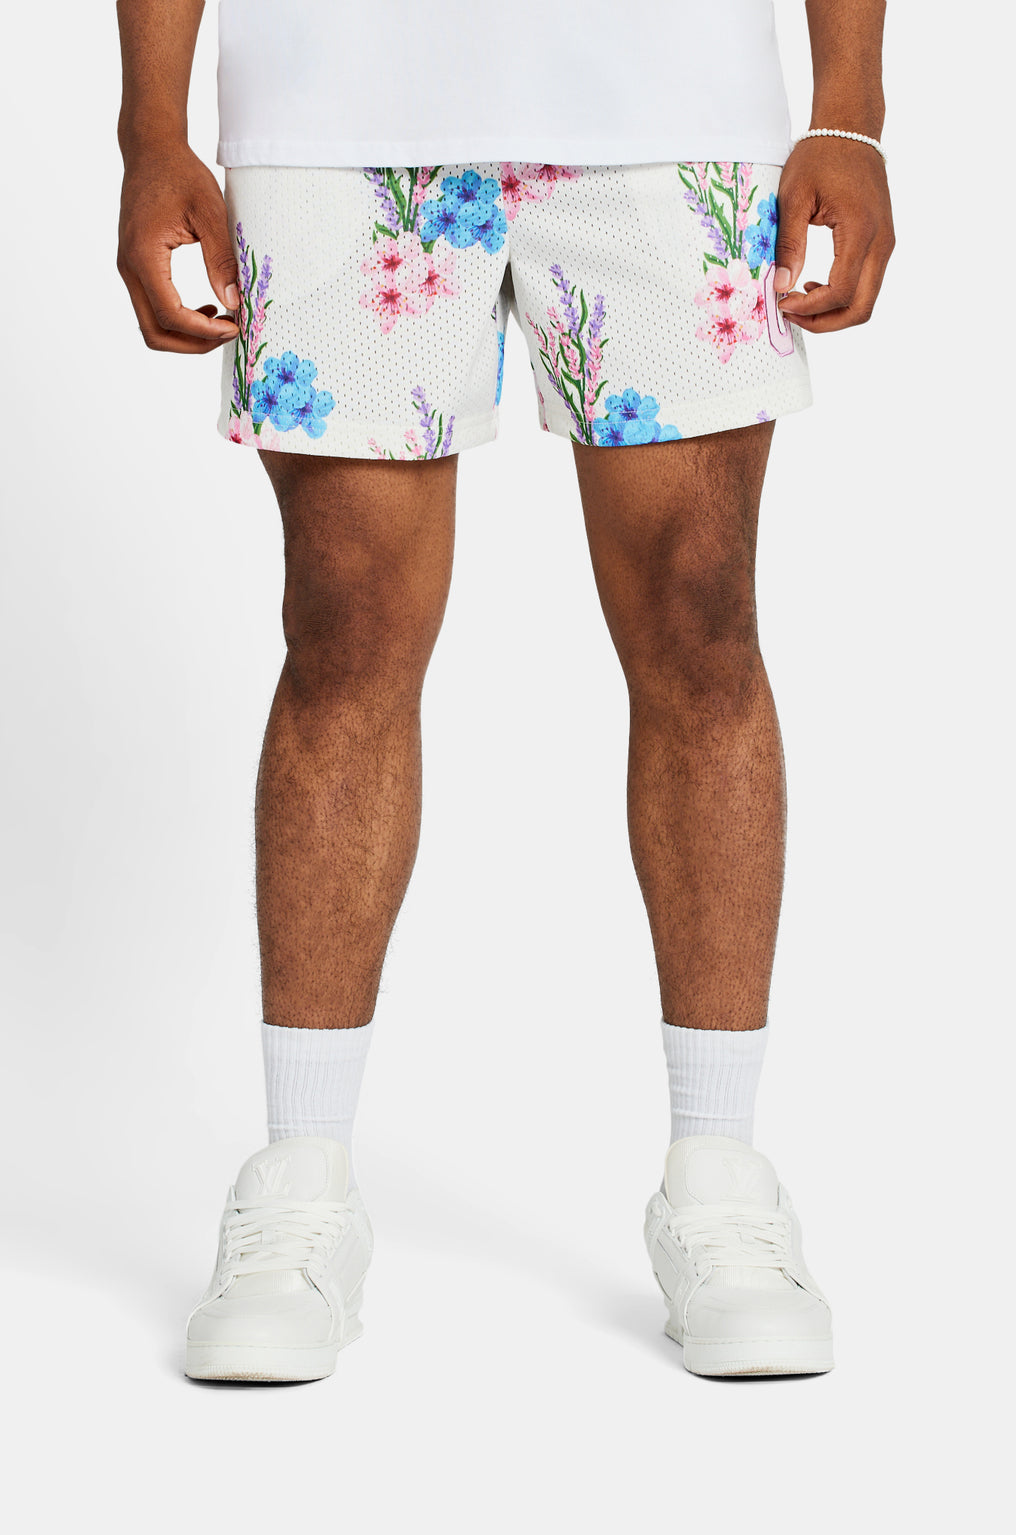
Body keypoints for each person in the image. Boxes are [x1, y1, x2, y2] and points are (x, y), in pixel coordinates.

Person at [115, 0, 894, 1382]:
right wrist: (150, 127)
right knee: (344, 623)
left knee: (699, 616)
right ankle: (302, 1186)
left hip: (668, 102)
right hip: (334, 108)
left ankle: (719, 1181)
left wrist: (851, 110)